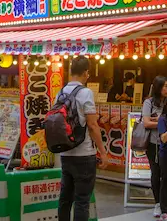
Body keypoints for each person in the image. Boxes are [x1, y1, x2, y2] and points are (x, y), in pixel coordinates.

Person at [57, 56, 107, 221]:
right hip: (84, 154)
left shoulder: (61, 92)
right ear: (86, 72)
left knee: (65, 199)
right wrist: (103, 151)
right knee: (81, 201)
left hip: (65, 152)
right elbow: (92, 126)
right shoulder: (85, 92)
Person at [143, 76, 167, 217]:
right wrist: (162, 122)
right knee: (156, 173)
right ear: (158, 87)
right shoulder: (149, 102)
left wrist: (160, 121)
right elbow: (146, 123)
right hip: (154, 144)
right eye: (164, 86)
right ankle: (157, 203)